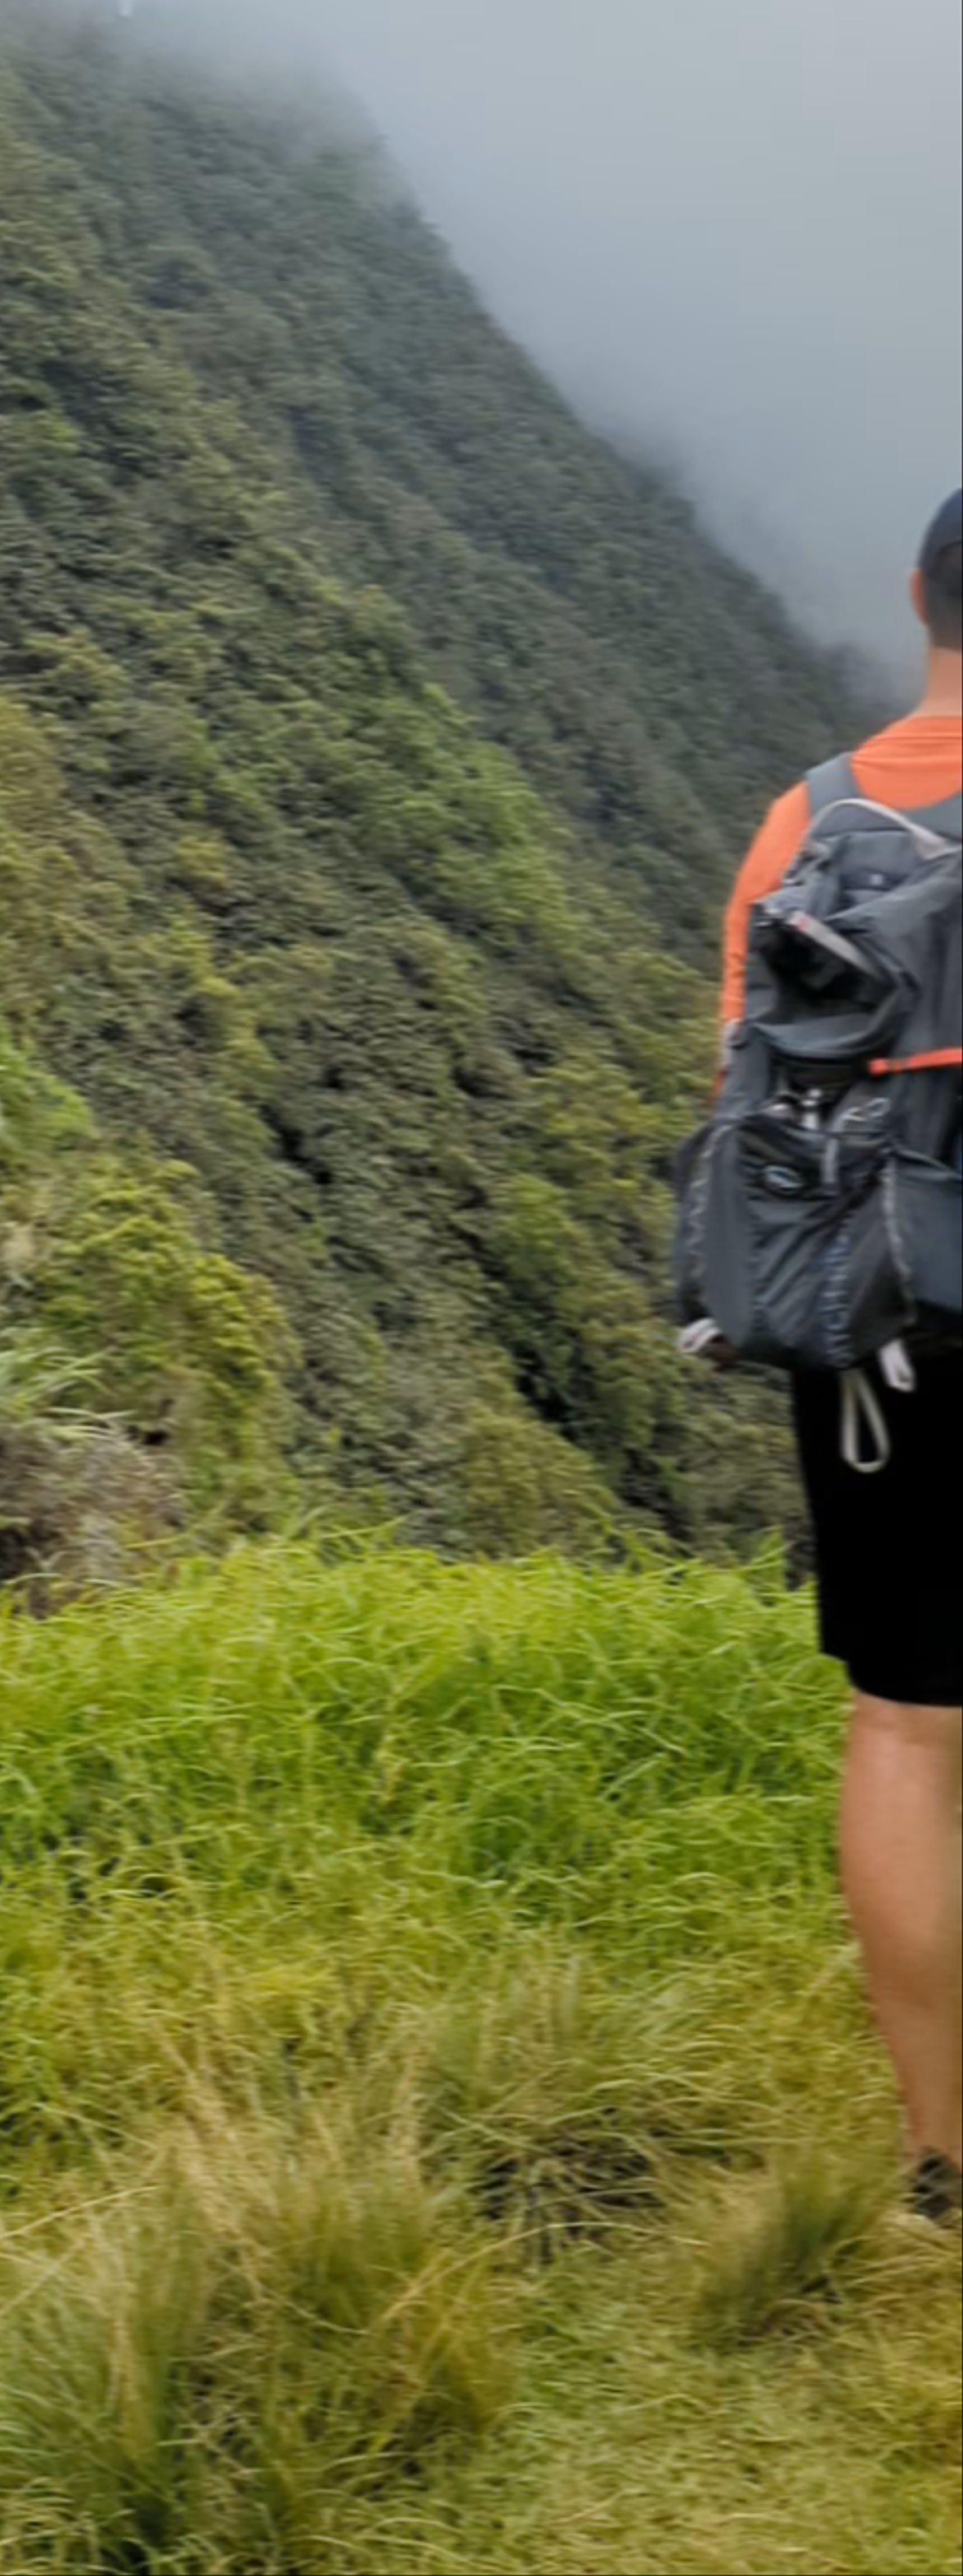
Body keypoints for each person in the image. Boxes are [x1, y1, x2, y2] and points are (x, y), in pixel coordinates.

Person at [718, 486, 962, 2223]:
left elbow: (744, 1093)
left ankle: (942, 2159)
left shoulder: (805, 825)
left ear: (916, 596)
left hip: (873, 1336)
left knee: (908, 1728)